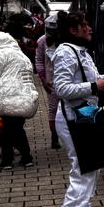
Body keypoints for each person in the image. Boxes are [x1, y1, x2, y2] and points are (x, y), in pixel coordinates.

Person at [50, 11, 104, 207]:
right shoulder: (66, 52)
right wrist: (94, 86)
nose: (89, 28)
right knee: (83, 169)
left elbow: (94, 79)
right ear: (73, 30)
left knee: (92, 167)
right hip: (74, 118)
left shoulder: (80, 51)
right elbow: (61, 88)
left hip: (86, 116)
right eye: (85, 25)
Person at [0, 28, 38, 170]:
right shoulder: (21, 55)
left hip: (8, 97)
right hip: (26, 98)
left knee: (8, 131)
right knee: (16, 128)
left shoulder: (2, 54)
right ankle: (26, 157)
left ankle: (7, 161)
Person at [35, 11, 61, 150]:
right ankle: (54, 136)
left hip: (69, 81)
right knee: (53, 110)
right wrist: (43, 80)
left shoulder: (67, 40)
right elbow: (39, 61)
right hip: (51, 82)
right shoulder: (42, 41)